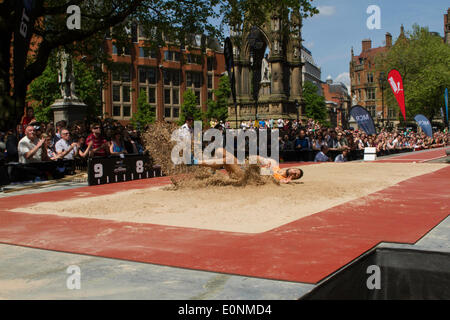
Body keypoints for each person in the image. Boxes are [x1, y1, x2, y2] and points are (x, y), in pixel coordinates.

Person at [198, 148, 303, 184]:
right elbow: (256, 158)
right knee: (219, 151)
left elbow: (266, 178)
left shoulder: (279, 179)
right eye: (296, 170)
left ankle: (196, 162)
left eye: (296, 175)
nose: (294, 172)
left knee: (228, 160)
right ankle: (210, 172)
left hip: (243, 176)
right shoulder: (275, 164)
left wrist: (284, 181)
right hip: (243, 166)